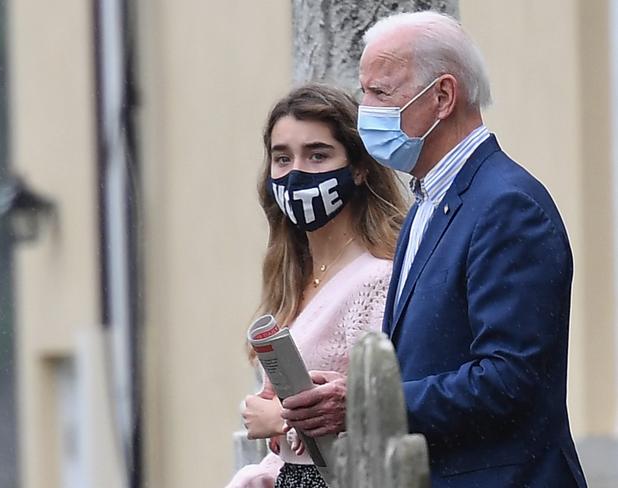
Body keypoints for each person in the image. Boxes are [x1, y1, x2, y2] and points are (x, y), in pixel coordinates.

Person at [280, 11, 588, 488]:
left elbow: (510, 380)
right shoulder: (429, 199)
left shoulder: (506, 205)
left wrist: (364, 402)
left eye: (380, 93)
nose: (366, 110)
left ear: (442, 96)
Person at [226, 84, 407, 488]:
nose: (297, 172)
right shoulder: (293, 278)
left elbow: (381, 411)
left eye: (318, 154)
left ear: (359, 168)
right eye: (282, 158)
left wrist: (280, 419)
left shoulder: (377, 280)